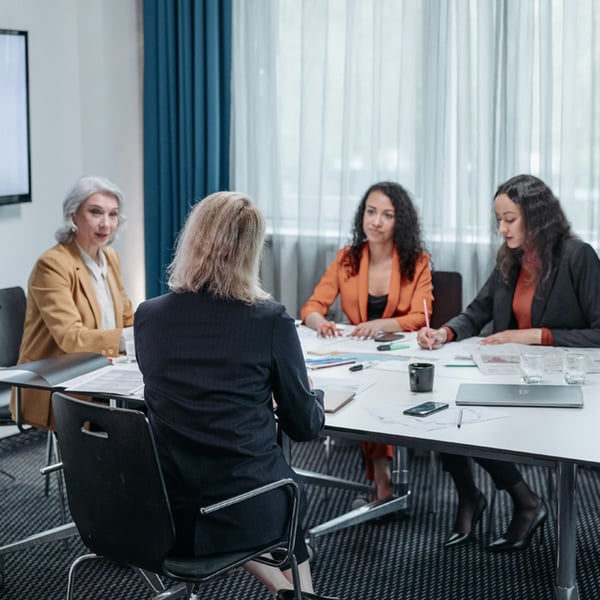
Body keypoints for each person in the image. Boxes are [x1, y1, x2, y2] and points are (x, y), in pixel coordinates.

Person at [134, 192, 337, 600]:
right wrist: (312, 395)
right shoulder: (271, 320)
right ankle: (298, 592)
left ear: (191, 240)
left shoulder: (148, 316)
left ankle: (289, 592)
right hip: (249, 505)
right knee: (278, 491)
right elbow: (303, 427)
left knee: (219, 478)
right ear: (250, 252)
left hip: (167, 507)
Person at [417, 173, 600, 551]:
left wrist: (533, 335)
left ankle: (524, 502)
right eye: (498, 219)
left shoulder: (576, 256)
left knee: (469, 417)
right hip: (511, 374)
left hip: (562, 384)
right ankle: (478, 496)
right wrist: (444, 333)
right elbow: (475, 313)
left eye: (509, 219)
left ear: (536, 215)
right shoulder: (510, 260)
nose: (501, 228)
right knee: (443, 414)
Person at [301, 181, 433, 501]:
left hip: (399, 354)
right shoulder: (348, 258)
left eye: (386, 215)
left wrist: (377, 325)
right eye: (371, 212)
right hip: (357, 353)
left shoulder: (417, 260)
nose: (376, 221)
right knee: (363, 389)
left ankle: (381, 480)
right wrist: (322, 323)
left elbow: (419, 316)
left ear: (399, 222)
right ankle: (382, 478)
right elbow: (311, 308)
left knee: (377, 390)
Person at [11, 175, 134, 429]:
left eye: (113, 215)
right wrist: (131, 338)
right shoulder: (53, 264)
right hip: (58, 380)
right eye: (95, 212)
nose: (106, 224)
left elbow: (126, 317)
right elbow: (71, 338)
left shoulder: (110, 257)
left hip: (104, 370)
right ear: (73, 216)